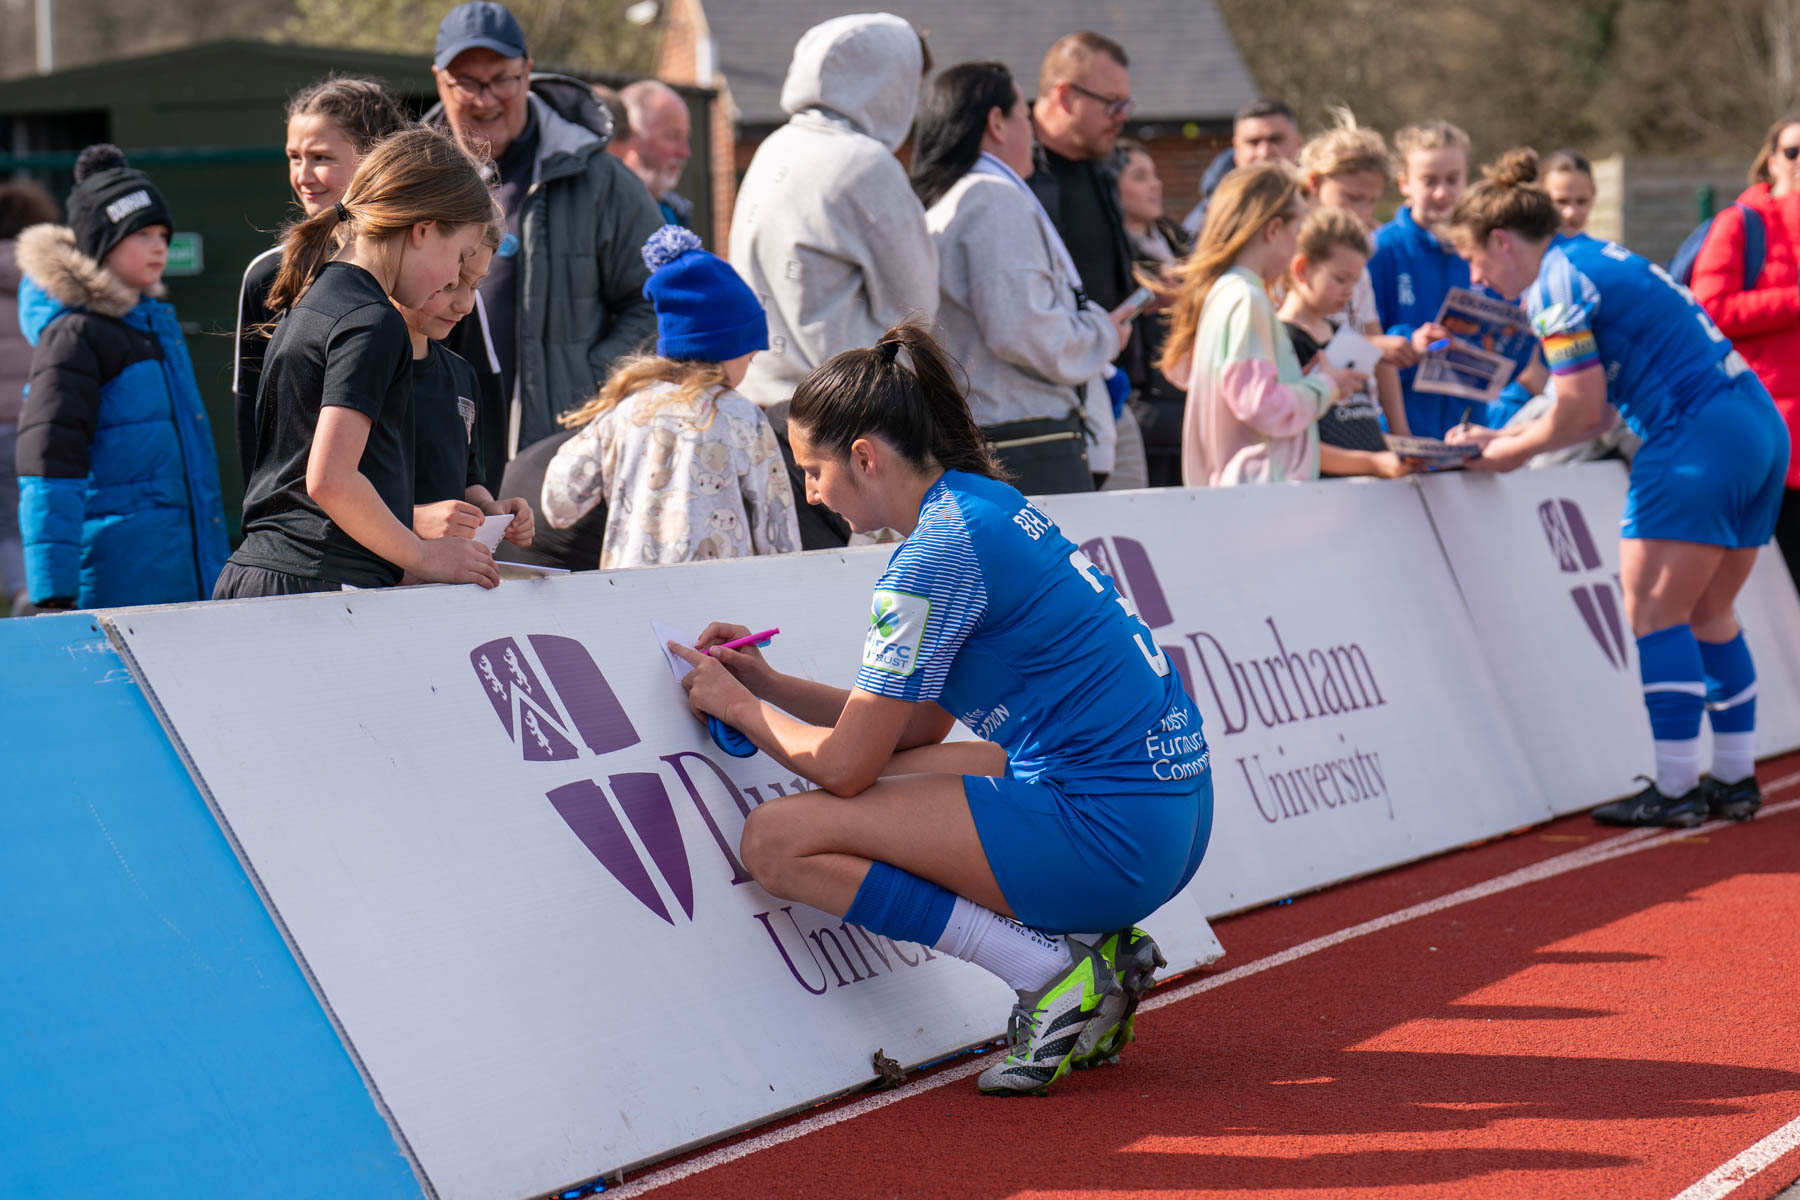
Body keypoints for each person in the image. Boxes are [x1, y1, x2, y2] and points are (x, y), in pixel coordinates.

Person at [667, 321, 1211, 1097]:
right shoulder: (983, 502)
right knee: (913, 769)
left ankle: (1053, 971)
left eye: (813, 469)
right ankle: (1096, 940)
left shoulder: (928, 557)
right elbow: (917, 725)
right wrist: (769, 684)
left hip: (1115, 837)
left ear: (864, 456)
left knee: (778, 839)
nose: (811, 491)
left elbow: (848, 766)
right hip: (1171, 818)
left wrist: (737, 708)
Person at [1444, 149, 1789, 827]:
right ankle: (1735, 778)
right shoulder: (1593, 252)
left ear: (1501, 241)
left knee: (1655, 614)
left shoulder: (1553, 283)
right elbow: (1595, 408)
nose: (1479, 280)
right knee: (1710, 612)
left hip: (1694, 437)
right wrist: (1506, 440)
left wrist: (1504, 452)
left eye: (1477, 261)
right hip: (1756, 425)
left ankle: (1677, 787)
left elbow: (1580, 414)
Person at [216, 127, 501, 599]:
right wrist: (425, 556)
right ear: (423, 229)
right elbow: (330, 479)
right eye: (457, 258)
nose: (454, 279)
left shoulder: (312, 300)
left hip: (269, 578)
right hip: (318, 583)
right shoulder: (374, 321)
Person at [729, 12, 938, 548]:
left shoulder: (773, 148)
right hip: (851, 436)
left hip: (770, 419)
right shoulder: (865, 163)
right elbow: (915, 316)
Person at [429, 0, 662, 456]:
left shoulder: (601, 179)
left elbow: (658, 298)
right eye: (469, 83)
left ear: (528, 73)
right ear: (440, 80)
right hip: (438, 451)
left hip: (562, 453)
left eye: (502, 79)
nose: (486, 98)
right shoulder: (414, 181)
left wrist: (586, 382)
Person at [14, 145, 229, 610]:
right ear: (100, 242)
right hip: (119, 582)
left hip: (180, 575)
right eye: (141, 233)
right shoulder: (76, 336)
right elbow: (50, 466)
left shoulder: (153, 328)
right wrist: (53, 593)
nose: (158, 246)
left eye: (162, 234)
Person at [911, 61, 1129, 494]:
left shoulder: (953, 200)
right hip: (1023, 441)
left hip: (985, 434)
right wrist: (1103, 333)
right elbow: (1022, 329)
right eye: (1026, 118)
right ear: (996, 122)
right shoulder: (991, 198)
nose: (1033, 134)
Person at [541, 226, 798, 567]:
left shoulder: (626, 412)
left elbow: (559, 504)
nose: (750, 366)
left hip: (633, 599)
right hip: (722, 604)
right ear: (725, 348)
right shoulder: (744, 419)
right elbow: (777, 530)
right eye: (749, 356)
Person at [235, 77, 420, 487]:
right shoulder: (267, 276)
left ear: (374, 160)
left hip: (425, 522)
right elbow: (255, 421)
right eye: (293, 156)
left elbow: (468, 400)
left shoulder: (430, 267)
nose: (303, 175)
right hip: (305, 534)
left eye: (321, 156)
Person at [1158, 162, 1363, 486]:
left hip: (1238, 493)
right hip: (1258, 492)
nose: (1296, 246)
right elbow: (1260, 405)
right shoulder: (1246, 298)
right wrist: (1326, 385)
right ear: (1273, 230)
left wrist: (1299, 379)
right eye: (1296, 235)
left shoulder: (1223, 293)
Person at [1369, 120, 1541, 437]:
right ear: (1404, 182)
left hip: (1468, 433)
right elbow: (1363, 343)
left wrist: (1518, 336)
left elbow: (1508, 371)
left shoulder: (1485, 249)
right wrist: (1411, 342)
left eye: (1452, 180)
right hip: (1397, 436)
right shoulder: (1381, 248)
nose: (1442, 192)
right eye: (1429, 180)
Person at [1028, 31, 1146, 488]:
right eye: (1111, 103)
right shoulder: (1020, 175)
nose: (1121, 118)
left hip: (1111, 388)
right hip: (1050, 400)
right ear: (1064, 95)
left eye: (1126, 105)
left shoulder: (1102, 166)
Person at [1691, 118, 1800, 595]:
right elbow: (1709, 309)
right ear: (1772, 159)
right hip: (1768, 433)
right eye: (1794, 151)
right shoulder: (1741, 222)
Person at [397, 225, 535, 552]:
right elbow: (336, 489)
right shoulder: (365, 368)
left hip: (444, 580)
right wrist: (413, 521)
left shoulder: (462, 374)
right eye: (451, 284)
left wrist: (490, 510)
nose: (466, 305)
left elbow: (468, 478)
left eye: (475, 286)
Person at [1293, 113, 1413, 456]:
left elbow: (1378, 347)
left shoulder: (1361, 249)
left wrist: (1401, 435)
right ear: (1315, 184)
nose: (1362, 213)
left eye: (1372, 200)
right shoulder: (1292, 252)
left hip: (1361, 415)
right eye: (1351, 198)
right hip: (1314, 422)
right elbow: (1299, 335)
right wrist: (1376, 345)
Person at [1278, 207, 1417, 479]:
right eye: (1340, 279)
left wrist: (1403, 450)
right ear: (1302, 270)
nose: (1349, 291)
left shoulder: (1342, 334)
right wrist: (1373, 463)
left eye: (1355, 281)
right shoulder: (1283, 340)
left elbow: (1360, 420)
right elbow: (1294, 445)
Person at [1115, 139, 1193, 487]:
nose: (1155, 185)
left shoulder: (1180, 244)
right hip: (1146, 407)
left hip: (1187, 396)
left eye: (1156, 176)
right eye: (1140, 176)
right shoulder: (1110, 254)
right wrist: (1150, 296)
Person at [0, 179, 57, 614]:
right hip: (41, 414)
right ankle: (47, 588)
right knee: (44, 506)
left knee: (6, 519)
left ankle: (21, 591)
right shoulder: (48, 276)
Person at [1181, 97, 1302, 235]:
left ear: (1298, 143)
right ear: (1236, 148)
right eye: (1253, 142)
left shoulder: (1321, 202)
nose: (1264, 152)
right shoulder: (1206, 223)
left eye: (1275, 140)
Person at [612, 79, 693, 228]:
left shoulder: (675, 212)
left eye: (686, 139)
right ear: (631, 135)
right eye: (672, 136)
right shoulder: (604, 216)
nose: (685, 152)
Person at [1543, 149, 1598, 239]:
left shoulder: (1600, 251)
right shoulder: (1520, 250)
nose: (1571, 213)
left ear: (1593, 198)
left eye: (1581, 202)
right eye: (1561, 201)